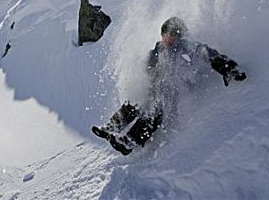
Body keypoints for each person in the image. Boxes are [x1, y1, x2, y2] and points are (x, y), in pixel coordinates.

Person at [92, 17, 247, 155]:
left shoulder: (187, 47)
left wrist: (229, 68)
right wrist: (149, 70)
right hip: (157, 88)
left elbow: (208, 53)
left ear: (178, 36)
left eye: (172, 35)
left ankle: (129, 142)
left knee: (157, 108)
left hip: (176, 92)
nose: (167, 38)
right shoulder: (158, 49)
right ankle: (112, 127)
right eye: (165, 34)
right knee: (136, 102)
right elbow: (148, 68)